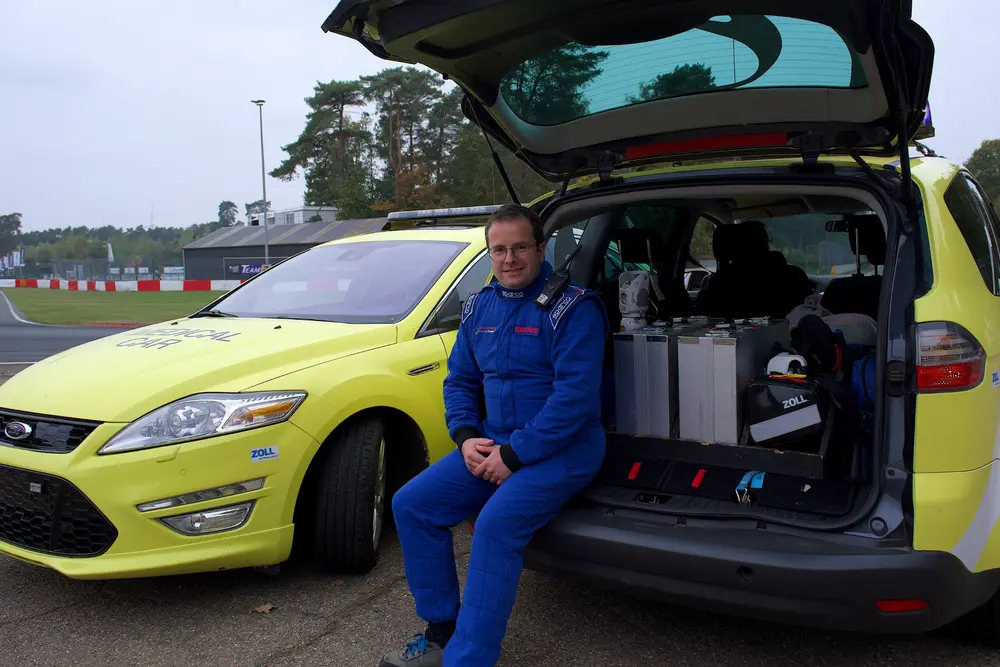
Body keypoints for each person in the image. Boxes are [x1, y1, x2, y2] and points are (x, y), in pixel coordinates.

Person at [381, 204, 609, 667]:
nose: (509, 259)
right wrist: (466, 436)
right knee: (412, 505)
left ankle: (468, 659)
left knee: (495, 526)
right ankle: (442, 630)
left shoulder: (574, 309)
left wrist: (514, 454)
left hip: (565, 447)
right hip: (494, 443)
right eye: (499, 249)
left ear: (541, 248)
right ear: (489, 254)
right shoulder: (479, 307)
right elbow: (459, 381)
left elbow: (574, 399)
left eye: (520, 247)